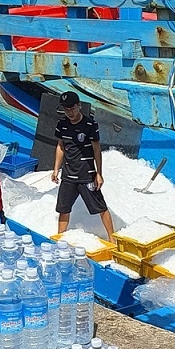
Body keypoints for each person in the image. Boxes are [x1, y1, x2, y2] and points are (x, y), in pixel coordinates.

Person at [51, 91, 115, 239]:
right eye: (66, 110)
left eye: (72, 109)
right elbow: (60, 147)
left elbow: (96, 149)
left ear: (79, 106)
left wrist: (99, 173)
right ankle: (61, 238)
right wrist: (56, 169)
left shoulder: (90, 125)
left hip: (87, 174)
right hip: (68, 174)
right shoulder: (62, 125)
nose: (69, 113)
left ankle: (112, 238)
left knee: (101, 207)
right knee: (63, 208)